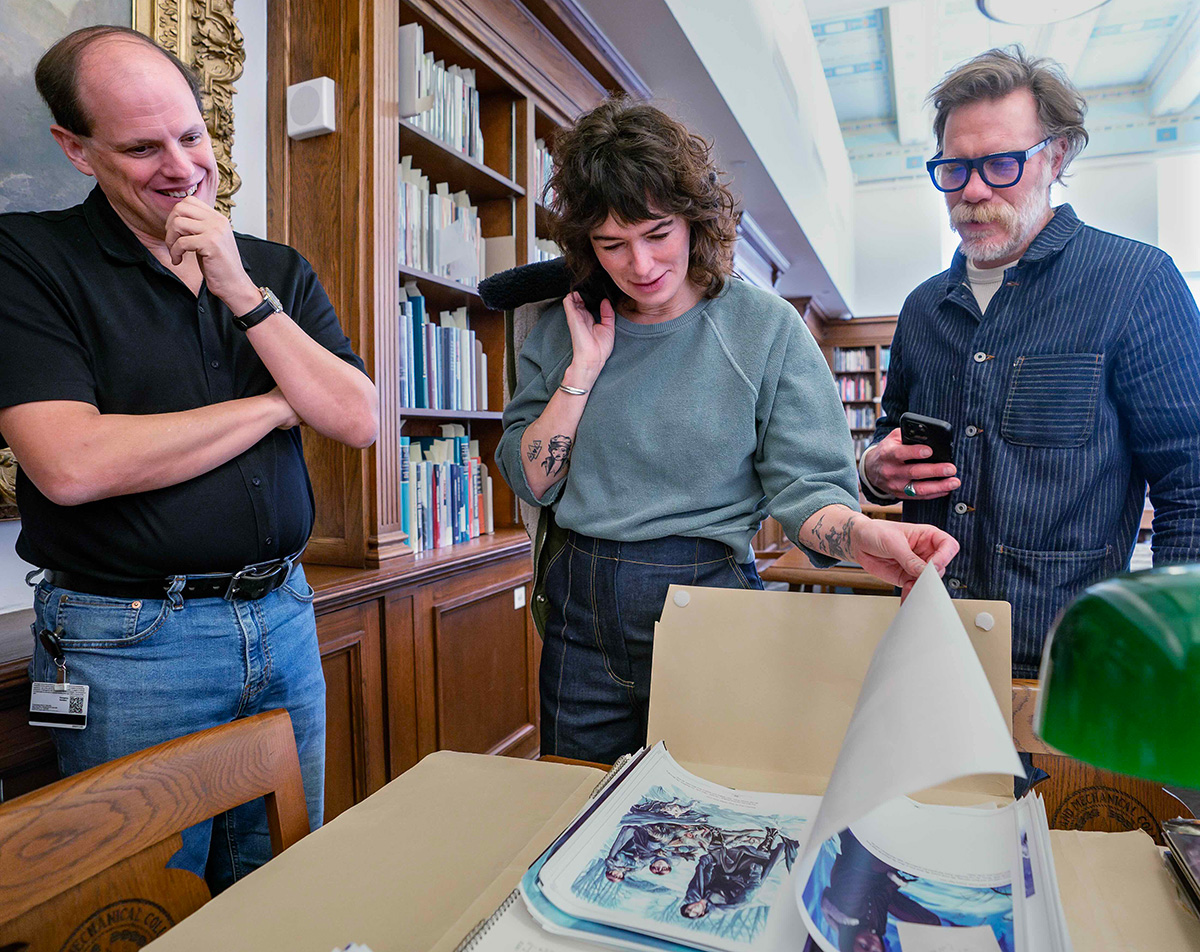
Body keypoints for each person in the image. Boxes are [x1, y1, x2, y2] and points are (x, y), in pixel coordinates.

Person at [0, 26, 378, 891]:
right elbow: (73, 464)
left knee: (285, 888)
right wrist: (278, 404)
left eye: (192, 135)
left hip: (284, 616)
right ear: (77, 150)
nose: (180, 166)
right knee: (143, 906)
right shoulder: (27, 259)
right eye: (141, 147)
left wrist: (244, 293)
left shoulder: (275, 267)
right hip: (130, 644)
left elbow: (355, 418)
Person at [495, 96, 958, 766]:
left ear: (692, 218)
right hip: (582, 605)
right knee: (573, 801)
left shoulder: (766, 330)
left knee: (713, 810)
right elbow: (534, 481)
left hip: (708, 596)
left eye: (657, 234)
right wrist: (583, 371)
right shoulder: (558, 330)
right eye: (612, 245)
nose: (641, 265)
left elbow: (807, 491)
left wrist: (862, 534)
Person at [860, 47, 1200, 679]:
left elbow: (1192, 485)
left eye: (1000, 163)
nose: (973, 190)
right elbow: (890, 439)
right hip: (927, 643)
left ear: (1057, 155)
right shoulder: (922, 309)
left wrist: (1175, 653)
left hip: (1069, 662)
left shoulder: (1136, 282)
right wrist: (876, 471)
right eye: (954, 169)